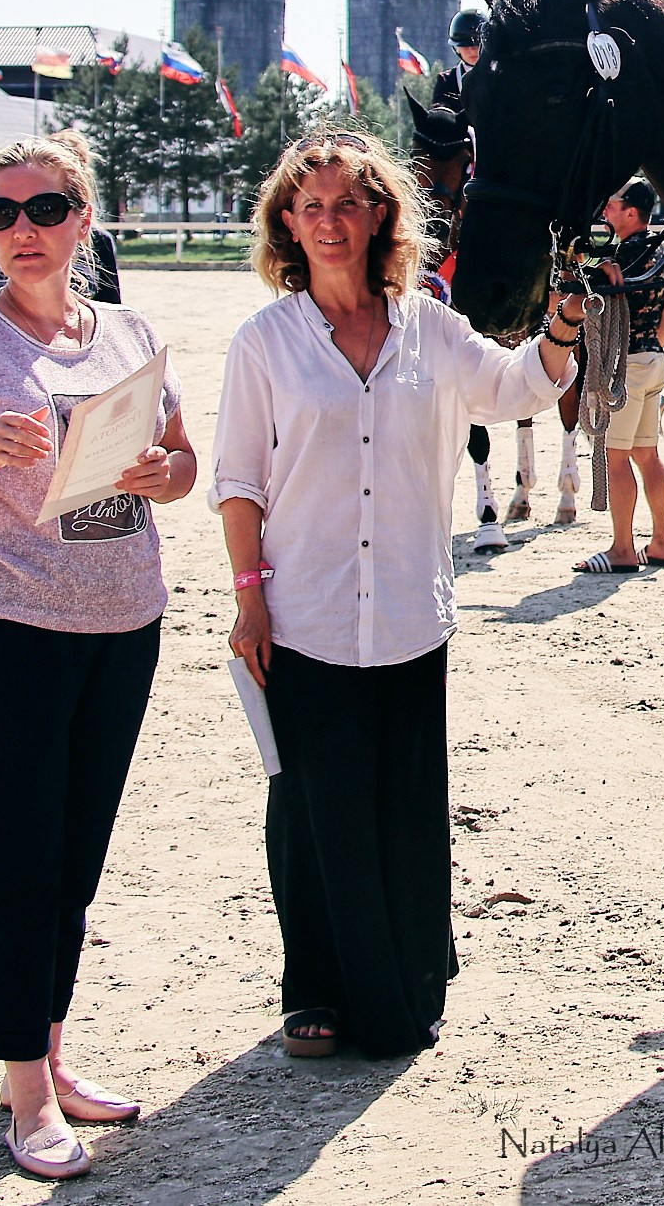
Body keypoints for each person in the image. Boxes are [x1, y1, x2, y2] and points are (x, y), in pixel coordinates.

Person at [213, 134, 581, 1060]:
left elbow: (508, 388)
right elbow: (238, 482)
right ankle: (316, 991)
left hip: (412, 611)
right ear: (286, 224)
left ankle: (409, 984)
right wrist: (249, 598)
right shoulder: (263, 343)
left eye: (348, 203)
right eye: (310, 206)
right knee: (310, 808)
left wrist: (563, 330)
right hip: (302, 613)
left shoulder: (431, 325)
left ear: (382, 213)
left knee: (407, 803)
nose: (329, 221)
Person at [0, 133, 197, 1181]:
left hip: (124, 628)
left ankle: (54, 1055)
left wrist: (162, 471)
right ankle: (24, 1091)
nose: (23, 230)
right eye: (2, 213)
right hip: (4, 632)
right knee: (17, 861)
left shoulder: (130, 330)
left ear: (84, 218)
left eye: (46, 208)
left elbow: (185, 461)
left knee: (75, 860)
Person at [573, 179, 664, 574]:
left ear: (631, 212)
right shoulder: (663, 255)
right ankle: (661, 543)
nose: (605, 211)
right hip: (653, 357)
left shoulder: (620, 258)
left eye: (612, 205)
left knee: (616, 458)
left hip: (627, 365)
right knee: (647, 454)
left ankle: (621, 548)